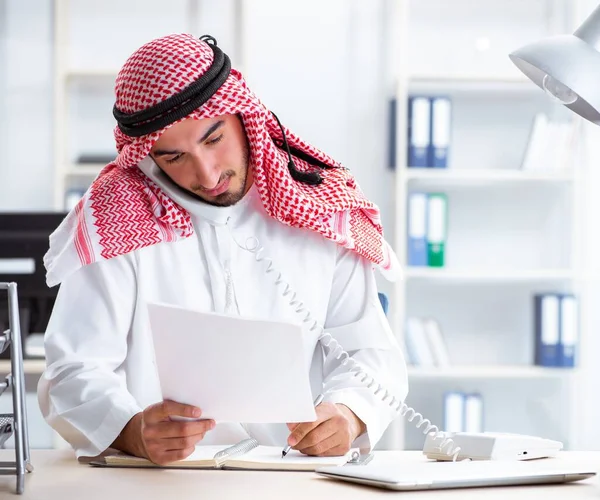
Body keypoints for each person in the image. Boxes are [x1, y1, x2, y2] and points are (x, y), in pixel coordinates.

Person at [38, 34, 408, 465]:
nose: (207, 173)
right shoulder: (114, 218)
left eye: (213, 139)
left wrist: (349, 413)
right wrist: (130, 430)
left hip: (293, 479)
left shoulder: (321, 207)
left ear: (243, 115)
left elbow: (371, 353)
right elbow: (71, 371)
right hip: (159, 484)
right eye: (174, 158)